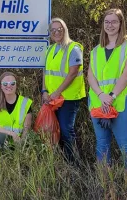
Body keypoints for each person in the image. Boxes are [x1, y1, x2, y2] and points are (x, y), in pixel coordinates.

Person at [87, 8, 127, 172]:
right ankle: (105, 182)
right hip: (97, 102)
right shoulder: (96, 50)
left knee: (125, 142)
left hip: (120, 102)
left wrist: (111, 96)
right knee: (102, 143)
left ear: (121, 24)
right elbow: (90, 76)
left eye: (114, 21)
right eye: (106, 22)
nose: (110, 25)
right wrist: (101, 95)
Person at [42, 17, 85, 162]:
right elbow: (46, 72)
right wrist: (44, 91)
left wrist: (56, 92)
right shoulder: (50, 49)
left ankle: (74, 164)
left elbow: (73, 72)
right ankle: (61, 163)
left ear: (65, 30)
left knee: (66, 130)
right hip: (52, 99)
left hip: (68, 98)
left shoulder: (74, 48)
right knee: (54, 131)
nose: (56, 32)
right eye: (53, 30)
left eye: (59, 29)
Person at [0, 72, 33, 148]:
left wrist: (22, 143)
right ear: (1, 86)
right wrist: (12, 134)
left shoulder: (25, 102)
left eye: (12, 83)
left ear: (16, 85)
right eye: (5, 84)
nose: (9, 86)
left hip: (18, 141)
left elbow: (26, 128)